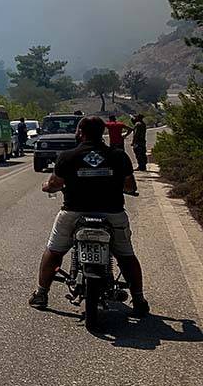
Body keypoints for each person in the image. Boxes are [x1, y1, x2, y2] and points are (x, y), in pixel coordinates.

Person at [28, 116, 149, 316]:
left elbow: (55, 184)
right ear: (102, 133)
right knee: (126, 256)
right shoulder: (118, 156)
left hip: (74, 212)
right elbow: (130, 186)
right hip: (112, 213)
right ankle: (138, 299)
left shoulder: (67, 156)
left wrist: (46, 187)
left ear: (80, 133)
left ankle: (41, 294)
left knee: (54, 251)